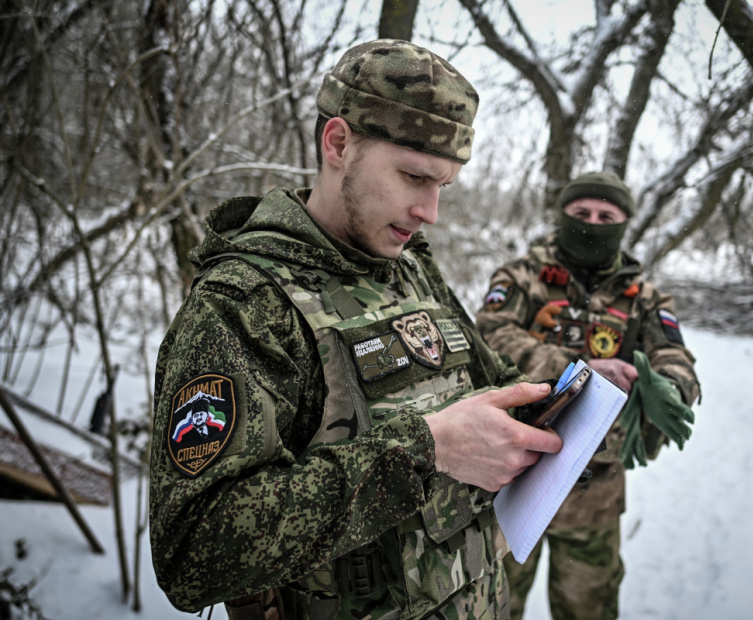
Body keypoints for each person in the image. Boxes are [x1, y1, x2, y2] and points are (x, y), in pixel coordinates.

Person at [149, 39, 563, 620]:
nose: (430, 211)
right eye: (414, 176)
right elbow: (192, 554)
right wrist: (430, 448)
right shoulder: (243, 306)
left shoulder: (412, 268)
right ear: (338, 143)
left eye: (442, 185)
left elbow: (488, 383)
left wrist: (561, 412)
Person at [475, 171, 701, 620]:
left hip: (595, 489)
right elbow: (489, 336)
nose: (592, 222)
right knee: (494, 606)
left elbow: (676, 358)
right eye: (581, 213)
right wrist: (575, 369)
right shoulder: (522, 277)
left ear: (623, 223)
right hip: (513, 474)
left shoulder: (647, 299)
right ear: (562, 216)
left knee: (589, 610)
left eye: (605, 215)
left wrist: (668, 388)